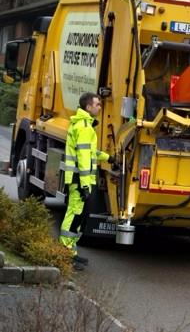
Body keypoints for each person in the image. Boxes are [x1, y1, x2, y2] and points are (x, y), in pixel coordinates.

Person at [59, 92, 114, 271]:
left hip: (78, 177)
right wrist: (84, 185)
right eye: (97, 104)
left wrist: (108, 158)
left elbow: (90, 153)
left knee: (78, 215)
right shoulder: (84, 127)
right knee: (74, 214)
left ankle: (70, 252)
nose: (99, 107)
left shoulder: (84, 125)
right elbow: (83, 159)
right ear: (88, 107)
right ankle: (65, 253)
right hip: (79, 178)